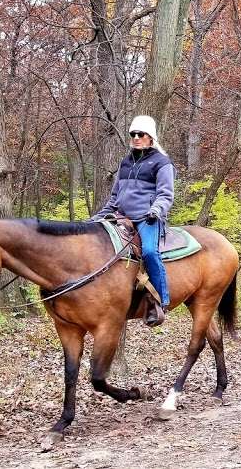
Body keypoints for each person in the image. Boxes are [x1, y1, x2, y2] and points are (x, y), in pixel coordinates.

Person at [91, 115, 174, 327]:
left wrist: (156, 210)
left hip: (147, 218)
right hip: (121, 217)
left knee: (149, 252)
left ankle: (162, 300)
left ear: (151, 137)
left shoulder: (161, 163)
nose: (136, 138)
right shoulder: (126, 161)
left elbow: (166, 194)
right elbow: (115, 195)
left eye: (141, 134)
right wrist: (100, 216)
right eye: (133, 134)